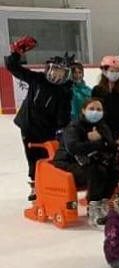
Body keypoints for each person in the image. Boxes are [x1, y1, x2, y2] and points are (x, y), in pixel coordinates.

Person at [5, 36, 72, 200]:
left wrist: (61, 131)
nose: (57, 75)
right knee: (31, 156)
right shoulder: (37, 79)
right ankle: (35, 186)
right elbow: (12, 67)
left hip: (47, 131)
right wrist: (16, 53)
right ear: (48, 69)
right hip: (28, 125)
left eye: (61, 72)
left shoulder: (63, 92)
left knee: (47, 157)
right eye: (55, 70)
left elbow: (63, 116)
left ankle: (49, 184)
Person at [52, 98, 119, 228]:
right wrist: (97, 143)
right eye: (92, 109)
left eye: (99, 109)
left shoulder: (102, 126)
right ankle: (93, 207)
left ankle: (103, 203)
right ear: (83, 110)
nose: (95, 112)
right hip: (67, 162)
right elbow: (73, 147)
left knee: (113, 170)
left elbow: (112, 146)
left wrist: (101, 142)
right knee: (95, 171)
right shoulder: (74, 127)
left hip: (90, 161)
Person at [92, 55, 119, 187]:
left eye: (117, 71)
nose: (114, 74)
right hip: (103, 132)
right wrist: (96, 129)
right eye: (111, 70)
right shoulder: (97, 90)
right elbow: (95, 113)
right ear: (104, 71)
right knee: (105, 162)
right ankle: (106, 189)